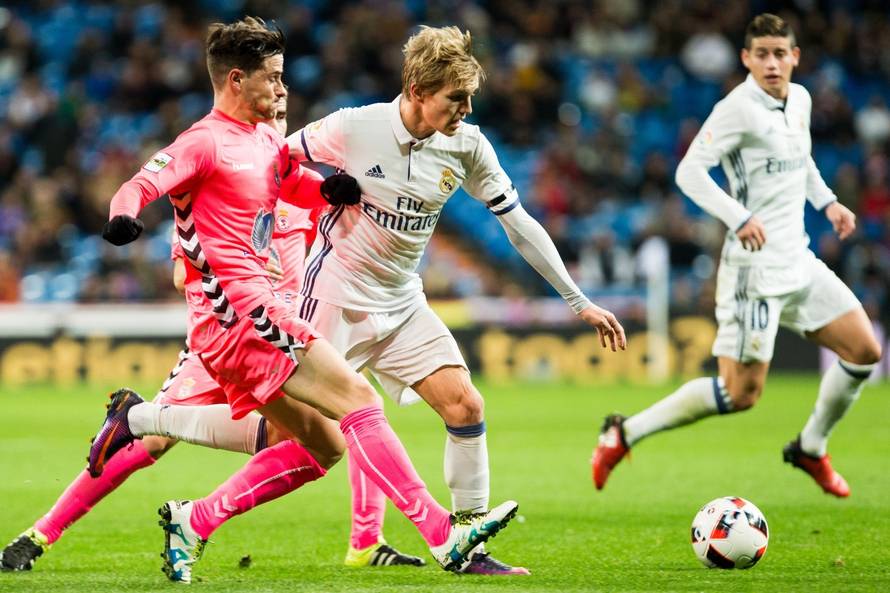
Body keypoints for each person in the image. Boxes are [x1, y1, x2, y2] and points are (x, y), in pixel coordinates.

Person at [87, 17, 517, 583]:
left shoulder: (266, 138)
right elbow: (141, 183)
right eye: (273, 78)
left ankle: (170, 479)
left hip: (262, 308)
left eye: (284, 77)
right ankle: (443, 534)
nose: (283, 89)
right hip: (237, 310)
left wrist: (326, 189)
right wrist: (122, 217)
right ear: (237, 80)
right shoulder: (203, 141)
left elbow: (285, 185)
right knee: (360, 400)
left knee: (324, 445)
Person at [0, 99, 413, 574]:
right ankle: (41, 532)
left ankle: (365, 538)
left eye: (280, 120)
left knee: (343, 421)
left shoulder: (301, 197)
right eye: (266, 120)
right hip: (223, 335)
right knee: (151, 445)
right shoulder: (222, 190)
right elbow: (183, 273)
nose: (273, 129)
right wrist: (246, 272)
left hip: (279, 338)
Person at [286, 25, 626, 574]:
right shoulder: (354, 126)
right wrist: (312, 195)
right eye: (455, 98)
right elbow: (273, 164)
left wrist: (577, 300)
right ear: (418, 89)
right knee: (289, 434)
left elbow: (518, 225)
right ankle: (153, 420)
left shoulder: (467, 145)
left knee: (465, 405)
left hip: (400, 302)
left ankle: (469, 546)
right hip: (333, 295)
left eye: (470, 98)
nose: (466, 109)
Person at [592, 13, 882, 497]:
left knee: (864, 351)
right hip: (755, 271)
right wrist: (737, 216)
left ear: (795, 57)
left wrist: (827, 201)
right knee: (739, 394)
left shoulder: (802, 100)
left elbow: (801, 157)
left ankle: (811, 446)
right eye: (761, 54)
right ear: (746, 58)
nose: (771, 63)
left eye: (779, 53)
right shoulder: (737, 109)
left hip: (800, 260)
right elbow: (689, 172)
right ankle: (624, 433)